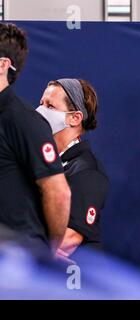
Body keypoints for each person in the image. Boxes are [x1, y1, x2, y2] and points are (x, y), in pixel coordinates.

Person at [0, 23, 71, 254]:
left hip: (18, 259)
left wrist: (47, 254)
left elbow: (58, 193)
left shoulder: (22, 119)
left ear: (2, 65)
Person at [36, 78, 109, 259]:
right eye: (41, 104)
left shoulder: (88, 172)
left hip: (68, 280)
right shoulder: (40, 160)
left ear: (75, 118)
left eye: (50, 107)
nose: (39, 112)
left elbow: (68, 240)